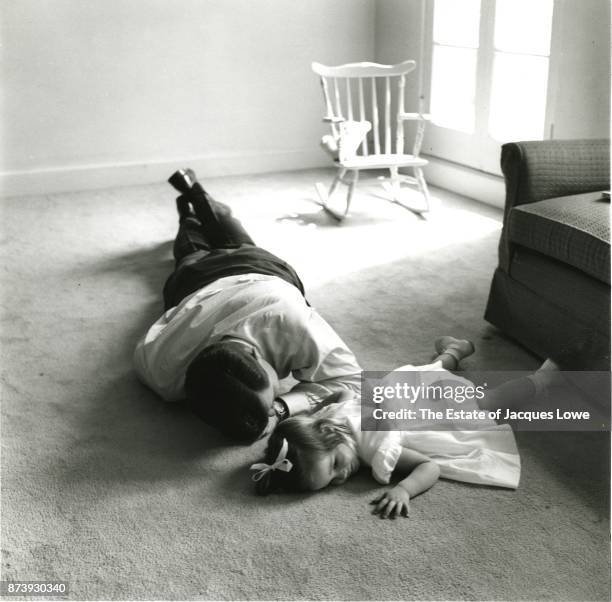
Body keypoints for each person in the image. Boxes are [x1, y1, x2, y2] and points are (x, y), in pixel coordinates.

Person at [133, 169, 361, 443]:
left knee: (224, 235)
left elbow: (354, 380)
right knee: (191, 246)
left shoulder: (292, 322)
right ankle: (188, 212)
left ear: (254, 354)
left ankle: (197, 195)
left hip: (255, 270)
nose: (275, 397)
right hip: (198, 282)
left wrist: (280, 407)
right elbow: (350, 380)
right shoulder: (164, 374)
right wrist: (282, 408)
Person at [251, 336, 530, 519]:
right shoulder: (332, 417)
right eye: (332, 482)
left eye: (335, 465)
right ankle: (452, 351)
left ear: (327, 434)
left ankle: (543, 380)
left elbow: (429, 466)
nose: (342, 477)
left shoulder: (374, 447)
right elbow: (344, 395)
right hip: (404, 394)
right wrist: (316, 408)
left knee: (488, 402)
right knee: (427, 373)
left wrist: (405, 490)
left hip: (432, 415)